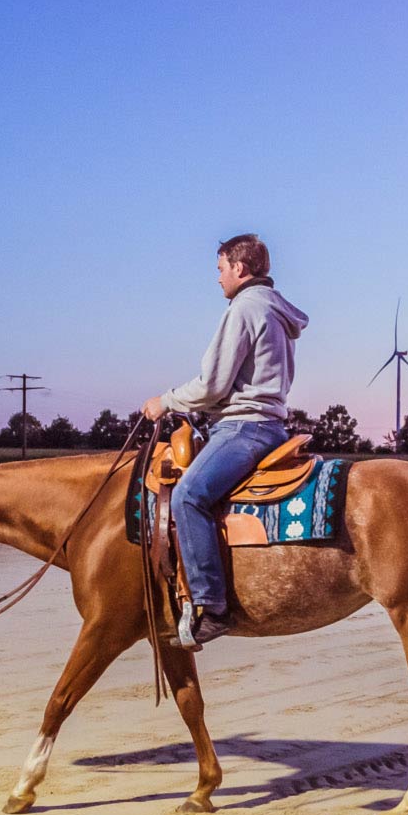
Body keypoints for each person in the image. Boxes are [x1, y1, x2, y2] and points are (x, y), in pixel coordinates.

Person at [140, 233, 310, 650]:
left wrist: (165, 401)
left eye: (220, 269)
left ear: (240, 268)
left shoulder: (244, 309)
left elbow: (214, 385)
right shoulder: (275, 311)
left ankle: (211, 606)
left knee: (188, 496)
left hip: (243, 427)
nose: (217, 279)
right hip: (269, 424)